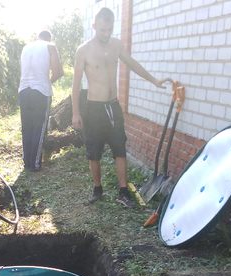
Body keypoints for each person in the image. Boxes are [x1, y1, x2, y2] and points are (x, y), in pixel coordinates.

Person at [72, 7, 172, 208]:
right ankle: (97, 189)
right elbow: (75, 84)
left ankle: (123, 192)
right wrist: (75, 112)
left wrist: (154, 80)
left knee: (120, 148)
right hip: (94, 109)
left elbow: (132, 63)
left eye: (109, 30)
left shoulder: (117, 45)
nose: (106, 34)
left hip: (113, 107)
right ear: (94, 26)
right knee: (94, 151)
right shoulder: (84, 50)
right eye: (102, 30)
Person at [19, 30, 63, 171]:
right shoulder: (50, 46)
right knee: (39, 127)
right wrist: (48, 82)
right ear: (49, 38)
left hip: (23, 90)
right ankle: (35, 164)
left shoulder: (26, 48)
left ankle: (26, 162)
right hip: (40, 92)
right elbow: (57, 72)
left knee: (27, 127)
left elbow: (22, 71)